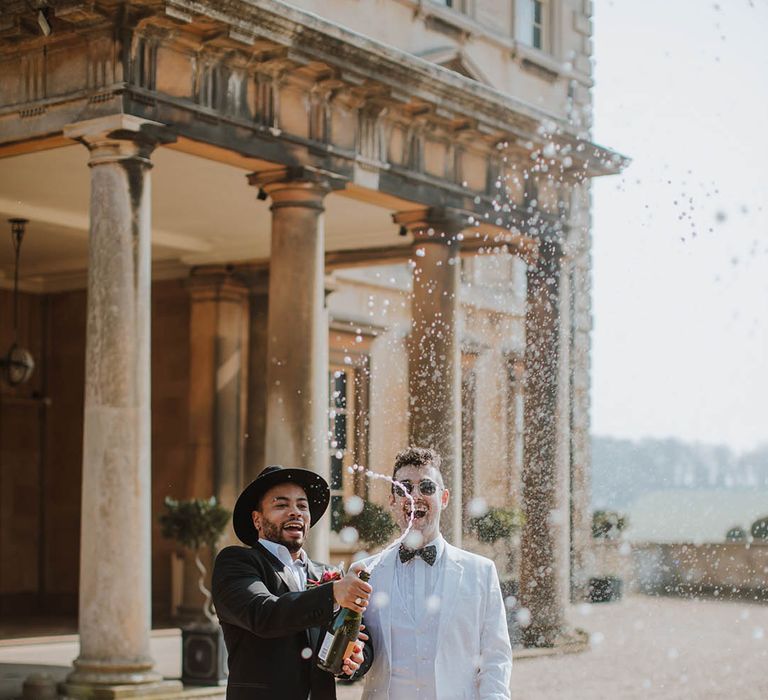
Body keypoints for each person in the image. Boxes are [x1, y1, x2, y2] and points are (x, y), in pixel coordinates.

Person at [358, 447, 512, 700]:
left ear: (444, 498)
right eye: (403, 488)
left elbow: (496, 656)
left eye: (426, 487)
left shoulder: (481, 572)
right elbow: (354, 650)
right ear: (392, 500)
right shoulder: (365, 572)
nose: (414, 495)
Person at [212, 465, 374, 700]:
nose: (295, 512)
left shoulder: (328, 574)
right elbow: (263, 614)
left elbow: (362, 637)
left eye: (302, 505)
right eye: (281, 504)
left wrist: (355, 659)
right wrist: (333, 594)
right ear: (257, 519)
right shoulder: (237, 562)